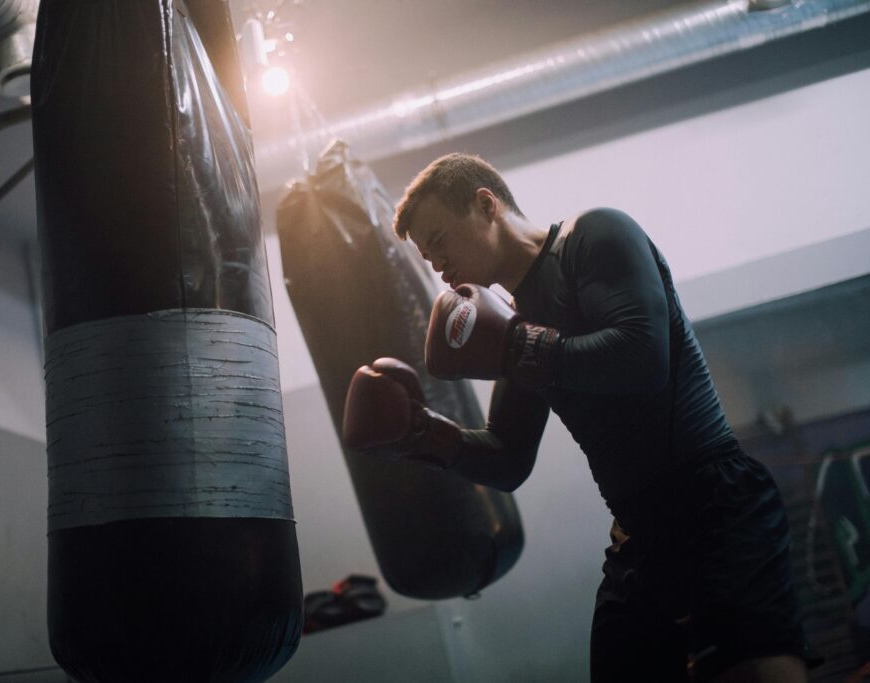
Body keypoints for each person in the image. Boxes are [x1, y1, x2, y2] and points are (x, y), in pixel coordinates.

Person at [342, 153, 817, 682]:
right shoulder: (514, 323)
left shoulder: (592, 237)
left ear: (485, 204)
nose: (436, 265)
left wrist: (518, 345)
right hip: (636, 531)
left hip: (714, 503)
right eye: (426, 256)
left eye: (439, 240)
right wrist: (424, 435)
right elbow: (509, 457)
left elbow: (642, 357)